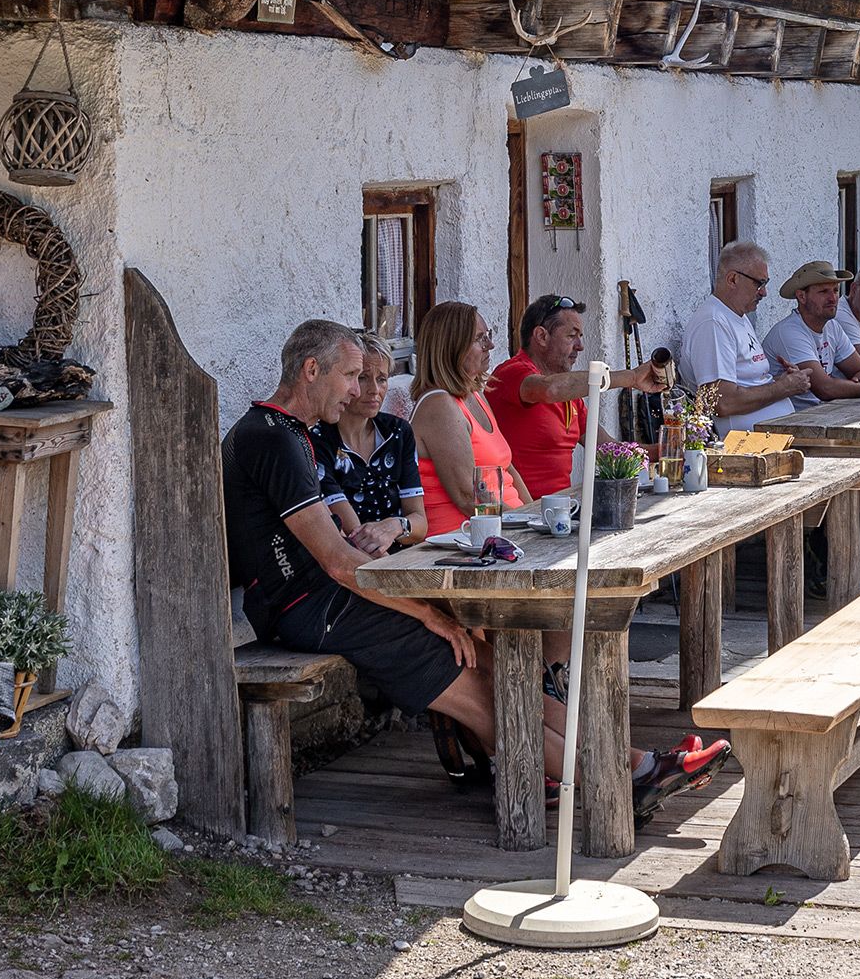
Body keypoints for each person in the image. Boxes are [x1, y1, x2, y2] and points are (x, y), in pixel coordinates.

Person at [228, 318, 724, 819]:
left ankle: (635, 765)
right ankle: (614, 784)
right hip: (309, 609)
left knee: (496, 664)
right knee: (478, 684)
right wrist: (428, 613)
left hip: (337, 602)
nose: (360, 390)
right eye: (353, 376)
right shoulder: (271, 438)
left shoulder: (294, 434)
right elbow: (336, 562)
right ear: (312, 370)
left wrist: (423, 602)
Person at [489, 295, 658, 501]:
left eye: (580, 336)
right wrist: (630, 378)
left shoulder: (570, 393)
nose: (580, 346)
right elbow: (549, 390)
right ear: (541, 336)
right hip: (520, 515)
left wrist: (666, 449)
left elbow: (610, 450)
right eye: (572, 336)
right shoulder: (511, 372)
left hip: (560, 514)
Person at [410, 301, 534, 536]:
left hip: (502, 528)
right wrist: (526, 528)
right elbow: (469, 498)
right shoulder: (439, 404)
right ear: (452, 347)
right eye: (479, 339)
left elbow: (508, 470)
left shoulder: (475, 395)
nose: (490, 344)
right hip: (464, 540)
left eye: (487, 335)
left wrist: (533, 516)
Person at [314, 334, 425, 556]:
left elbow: (420, 524)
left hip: (402, 557)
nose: (374, 389)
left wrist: (395, 525)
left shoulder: (397, 432)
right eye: (363, 378)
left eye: (382, 379)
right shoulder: (319, 439)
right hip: (355, 562)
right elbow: (355, 535)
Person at [682, 241, 811, 422]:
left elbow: (746, 382)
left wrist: (781, 381)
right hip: (743, 443)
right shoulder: (713, 323)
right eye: (759, 283)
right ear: (732, 279)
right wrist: (783, 388)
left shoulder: (736, 316)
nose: (764, 292)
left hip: (768, 435)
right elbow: (721, 402)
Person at [762, 262, 860, 401]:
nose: (833, 298)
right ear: (801, 297)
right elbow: (825, 389)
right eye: (824, 291)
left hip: (821, 415)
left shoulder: (832, 326)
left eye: (835, 290)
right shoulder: (789, 331)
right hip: (792, 418)